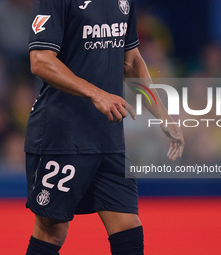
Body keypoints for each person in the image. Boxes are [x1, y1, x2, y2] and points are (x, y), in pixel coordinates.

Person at [25, 0, 185, 254]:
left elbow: (131, 61)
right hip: (62, 134)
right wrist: (96, 93)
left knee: (128, 227)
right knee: (52, 231)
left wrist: (162, 114)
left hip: (108, 135)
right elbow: (40, 60)